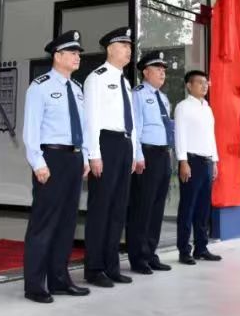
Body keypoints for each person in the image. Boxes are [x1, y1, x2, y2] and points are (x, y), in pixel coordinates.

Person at [22, 30, 91, 303]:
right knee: (44, 223)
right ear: (57, 56)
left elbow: (83, 127)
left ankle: (59, 280)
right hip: (50, 158)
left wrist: (85, 157)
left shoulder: (77, 88)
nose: (77, 57)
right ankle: (34, 285)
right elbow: (31, 129)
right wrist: (37, 162)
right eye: (72, 52)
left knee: (66, 223)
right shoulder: (39, 87)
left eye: (78, 53)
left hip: (73, 159)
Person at [83, 27, 138, 287]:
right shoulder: (97, 78)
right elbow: (91, 119)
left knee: (118, 209)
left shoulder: (125, 82)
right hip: (105, 144)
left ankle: (111, 265)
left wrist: (133, 152)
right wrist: (94, 154)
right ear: (110, 49)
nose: (129, 50)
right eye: (123, 45)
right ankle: (94, 268)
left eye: (130, 46)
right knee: (101, 208)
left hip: (123, 145)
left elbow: (131, 122)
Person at [126, 50, 175, 274]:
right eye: (158, 69)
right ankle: (138, 257)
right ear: (145, 72)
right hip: (147, 154)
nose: (162, 73)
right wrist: (138, 155)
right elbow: (135, 127)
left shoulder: (163, 98)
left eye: (164, 69)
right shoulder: (138, 94)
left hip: (163, 154)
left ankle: (150, 253)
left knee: (157, 208)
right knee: (142, 207)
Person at [174, 70, 221, 264]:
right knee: (188, 207)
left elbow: (211, 136)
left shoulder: (207, 108)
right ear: (189, 85)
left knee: (203, 209)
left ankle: (201, 248)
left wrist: (215, 161)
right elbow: (179, 135)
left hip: (207, 162)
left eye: (206, 82)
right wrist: (182, 161)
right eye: (200, 82)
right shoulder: (183, 107)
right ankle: (184, 250)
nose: (205, 86)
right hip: (191, 162)